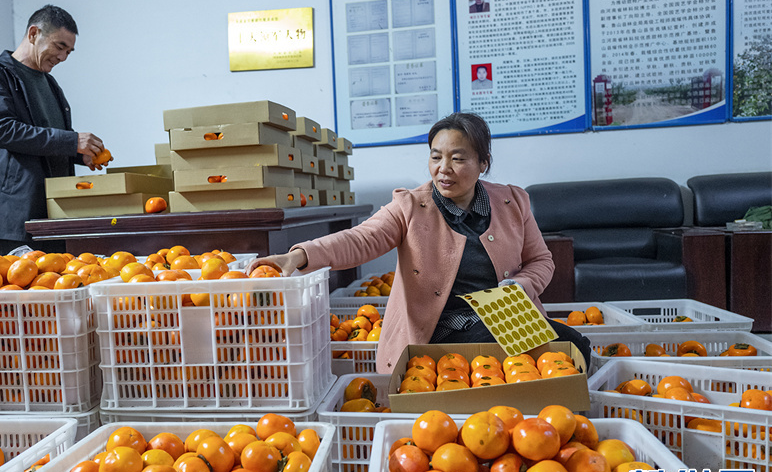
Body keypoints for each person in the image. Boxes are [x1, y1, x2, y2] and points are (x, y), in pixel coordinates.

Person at [248, 112, 590, 374]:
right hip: (439, 329)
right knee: (518, 359)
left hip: (507, 316)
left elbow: (541, 262)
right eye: (435, 156)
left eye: (458, 158)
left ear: (483, 163)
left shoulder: (513, 202)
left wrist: (518, 286)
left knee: (577, 347)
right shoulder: (410, 206)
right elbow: (360, 239)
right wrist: (300, 255)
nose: (444, 169)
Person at [0, 4, 107, 255]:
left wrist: (81, 153)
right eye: (59, 46)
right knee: (23, 291)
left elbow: (47, 136)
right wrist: (72, 141)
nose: (63, 57)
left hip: (55, 214)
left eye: (69, 51)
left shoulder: (50, 83)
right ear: (34, 34)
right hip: (18, 217)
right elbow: (3, 130)